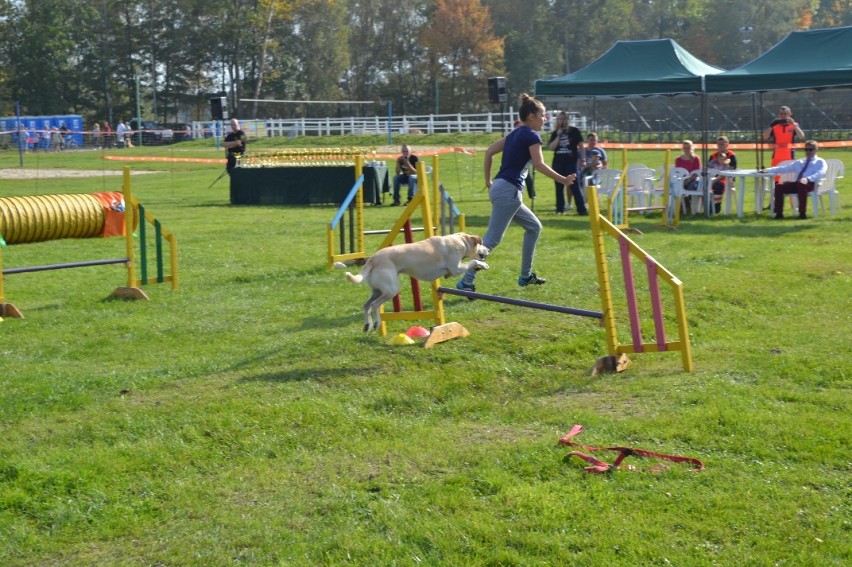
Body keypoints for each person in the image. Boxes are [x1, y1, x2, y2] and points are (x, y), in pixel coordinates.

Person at [456, 93, 576, 293]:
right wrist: (563, 180)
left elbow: (489, 152)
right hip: (509, 191)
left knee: (534, 227)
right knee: (491, 240)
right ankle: (466, 281)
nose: (545, 119)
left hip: (501, 189)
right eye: (542, 115)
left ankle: (525, 275)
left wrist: (488, 180)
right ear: (530, 116)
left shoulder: (515, 133)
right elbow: (539, 164)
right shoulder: (531, 135)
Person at [761, 140, 826, 219]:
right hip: (798, 183)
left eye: (810, 150)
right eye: (806, 149)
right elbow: (784, 168)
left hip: (811, 184)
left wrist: (808, 179)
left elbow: (820, 173)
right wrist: (767, 170)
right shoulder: (800, 161)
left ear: (816, 150)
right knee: (779, 186)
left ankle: (802, 213)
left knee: (801, 184)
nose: (808, 152)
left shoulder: (820, 162)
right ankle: (778, 213)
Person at [547, 111, 585, 214]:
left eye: (563, 119)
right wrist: (558, 136)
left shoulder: (574, 131)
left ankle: (581, 210)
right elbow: (551, 147)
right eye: (560, 119)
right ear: (557, 121)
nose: (562, 121)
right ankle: (560, 209)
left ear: (567, 120)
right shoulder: (555, 133)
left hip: (571, 163)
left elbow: (581, 145)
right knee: (559, 186)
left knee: (574, 186)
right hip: (558, 163)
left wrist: (583, 159)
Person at [763, 106, 804, 181]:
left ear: (790, 114)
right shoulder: (775, 126)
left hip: (789, 156)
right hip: (777, 156)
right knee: (776, 179)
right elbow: (765, 137)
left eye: (785, 114)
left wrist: (794, 124)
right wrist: (771, 126)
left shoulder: (793, 125)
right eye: (781, 114)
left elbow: (801, 136)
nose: (783, 116)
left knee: (789, 179)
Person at [707, 136, 737, 214]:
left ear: (727, 144)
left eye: (722, 144)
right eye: (719, 144)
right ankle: (707, 206)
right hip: (713, 177)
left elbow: (731, 170)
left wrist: (717, 179)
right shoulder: (713, 156)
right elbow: (708, 168)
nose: (720, 146)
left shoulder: (731, 155)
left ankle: (716, 207)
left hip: (727, 178)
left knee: (717, 185)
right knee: (702, 184)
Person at [675, 140, 701, 214]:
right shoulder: (678, 159)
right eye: (685, 148)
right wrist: (683, 181)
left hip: (693, 180)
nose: (686, 150)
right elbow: (677, 172)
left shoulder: (696, 159)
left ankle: (688, 206)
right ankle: (680, 206)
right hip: (682, 179)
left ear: (692, 148)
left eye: (688, 148)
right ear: (682, 149)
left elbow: (696, 173)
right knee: (676, 186)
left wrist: (688, 180)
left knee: (691, 187)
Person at [514, 119, 536, 201]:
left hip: (525, 161)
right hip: (516, 162)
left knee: (528, 178)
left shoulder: (527, 136)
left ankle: (532, 194)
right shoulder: (514, 136)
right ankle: (519, 194)